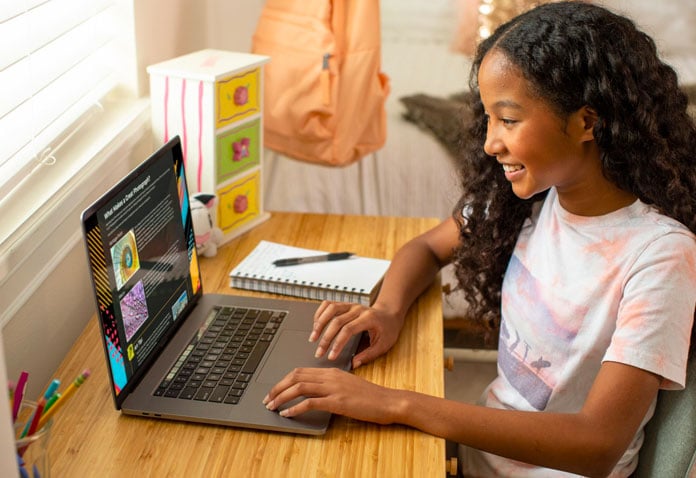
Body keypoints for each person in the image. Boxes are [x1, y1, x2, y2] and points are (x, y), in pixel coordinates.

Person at [263, 2, 696, 476]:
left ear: (587, 122)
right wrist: (387, 310)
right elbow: (426, 248)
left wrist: (398, 404)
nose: (491, 143)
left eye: (508, 120)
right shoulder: (532, 198)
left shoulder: (659, 256)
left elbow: (598, 443)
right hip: (478, 460)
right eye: (488, 118)